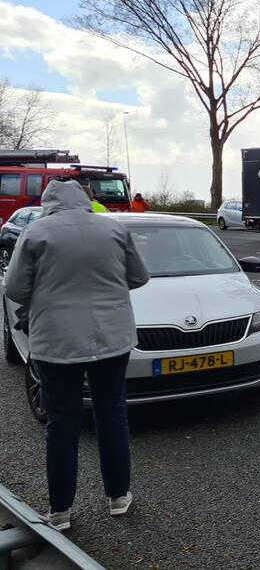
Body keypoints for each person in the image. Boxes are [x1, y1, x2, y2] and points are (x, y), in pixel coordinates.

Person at [5, 180, 150, 532]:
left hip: (57, 341)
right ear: (86, 200)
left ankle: (60, 512)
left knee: (62, 422)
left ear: (49, 203)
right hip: (111, 338)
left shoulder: (37, 232)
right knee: (112, 414)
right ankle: (118, 497)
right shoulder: (113, 228)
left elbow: (14, 287)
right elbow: (139, 276)